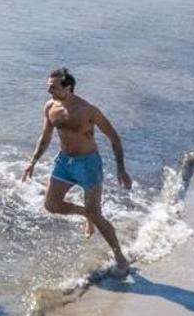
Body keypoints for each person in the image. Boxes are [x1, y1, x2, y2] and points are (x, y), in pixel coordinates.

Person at [23, 67, 133, 274]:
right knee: (51, 205)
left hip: (88, 164)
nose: (49, 92)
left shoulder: (88, 110)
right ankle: (87, 215)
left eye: (53, 88)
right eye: (48, 87)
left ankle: (119, 255)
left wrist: (121, 169)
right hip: (64, 162)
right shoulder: (50, 107)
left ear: (69, 88)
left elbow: (114, 138)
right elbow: (45, 137)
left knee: (97, 213)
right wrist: (33, 161)